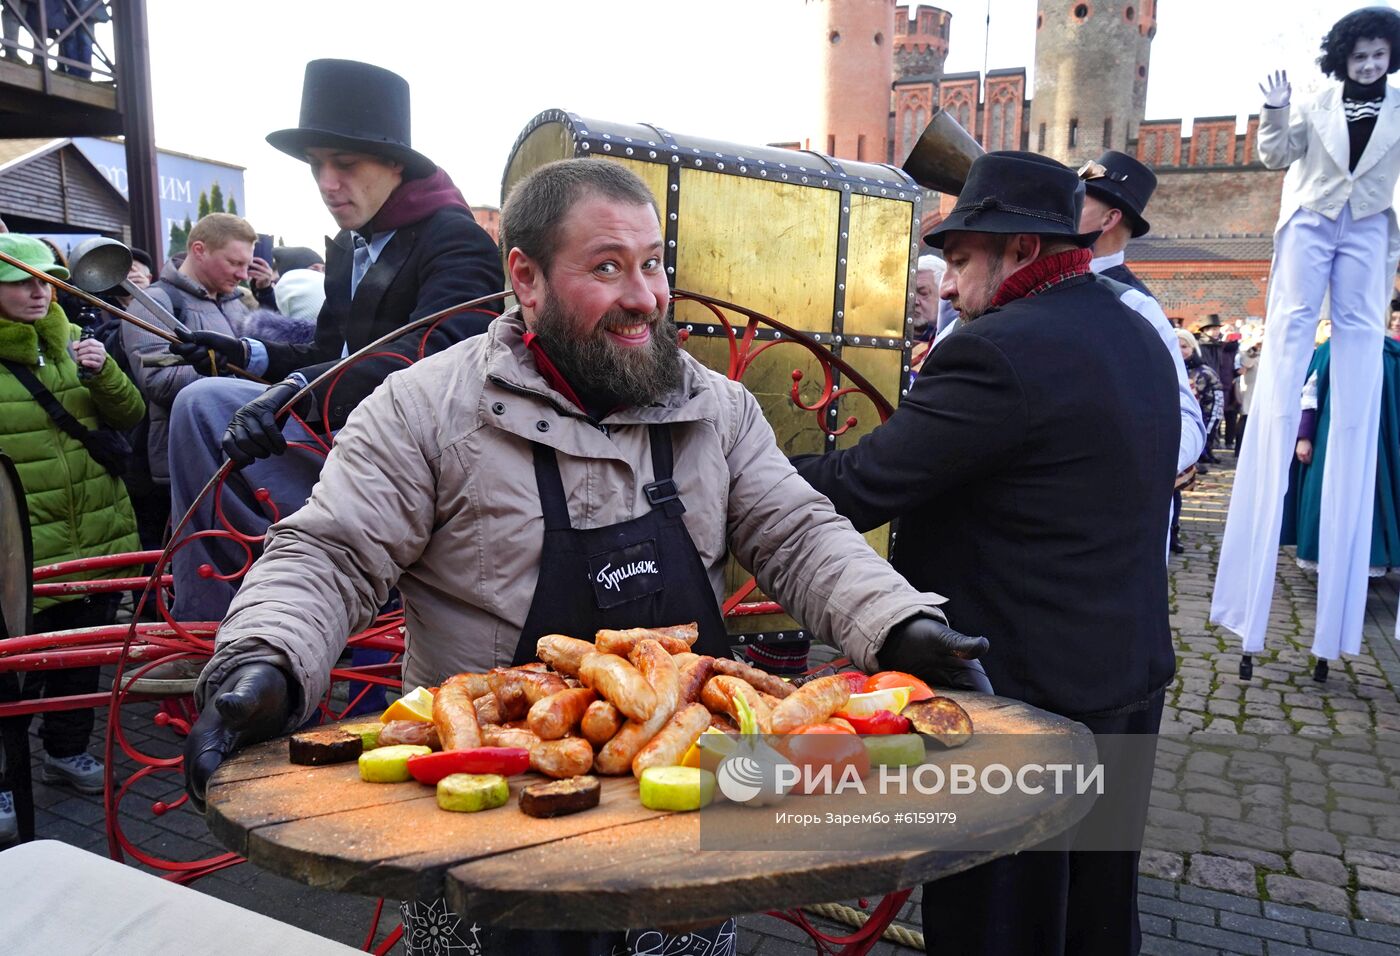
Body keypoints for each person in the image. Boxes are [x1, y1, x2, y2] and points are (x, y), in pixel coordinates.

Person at [182, 158, 989, 955]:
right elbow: (331, 554)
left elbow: (797, 531)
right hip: (491, 833)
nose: (644, 297)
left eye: (652, 265)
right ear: (526, 279)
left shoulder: (719, 409)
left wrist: (898, 624)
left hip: (684, 819)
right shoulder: (425, 410)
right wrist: (265, 661)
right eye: (608, 268)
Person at [795, 151, 1179, 956]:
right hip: (1126, 675)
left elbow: (861, 485)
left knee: (999, 919)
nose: (954, 282)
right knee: (1094, 916)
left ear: (1023, 252)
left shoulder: (997, 350)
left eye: (963, 260)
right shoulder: (1136, 328)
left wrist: (733, 466)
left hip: (1020, 696)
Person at [165, 59, 504, 624]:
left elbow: (435, 353)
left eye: (344, 164)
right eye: (316, 165)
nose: (327, 184)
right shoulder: (349, 245)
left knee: (199, 404)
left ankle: (226, 614)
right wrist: (248, 355)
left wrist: (296, 389)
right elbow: (332, 355)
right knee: (208, 397)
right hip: (340, 443)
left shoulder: (455, 237)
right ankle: (242, 601)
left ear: (395, 163)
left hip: (411, 469)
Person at [1212, 6, 1400, 679]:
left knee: (1357, 343)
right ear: (1344, 57)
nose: (1370, 66)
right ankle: (1250, 618)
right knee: (1290, 330)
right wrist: (1276, 109)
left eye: (1380, 56)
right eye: (1361, 57)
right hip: (1314, 219)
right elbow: (1275, 155)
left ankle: (1333, 627)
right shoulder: (1321, 104)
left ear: (1389, 58)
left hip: (1368, 226)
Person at [0, 234, 145, 813]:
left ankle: (66, 752)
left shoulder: (74, 344)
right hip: (20, 547)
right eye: (21, 281)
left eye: (46, 281)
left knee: (80, 660)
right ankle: (6, 782)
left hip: (98, 531)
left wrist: (105, 372)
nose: (39, 292)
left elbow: (131, 417)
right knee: (10, 671)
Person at [1079, 149, 1207, 488]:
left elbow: (1187, 418)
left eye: (1079, 200)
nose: (1064, 207)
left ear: (1108, 220)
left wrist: (1129, 473)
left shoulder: (1136, 305)